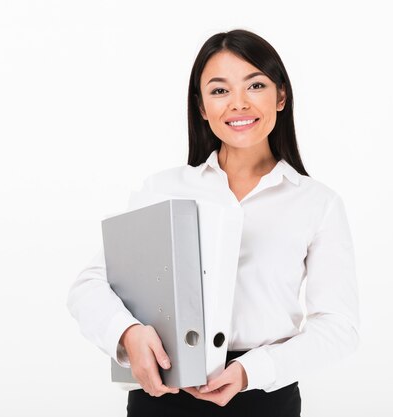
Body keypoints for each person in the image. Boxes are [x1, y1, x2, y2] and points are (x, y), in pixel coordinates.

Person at [67, 29, 359, 417]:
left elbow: (339, 327)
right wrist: (128, 334)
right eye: (219, 91)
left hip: (264, 396)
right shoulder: (163, 189)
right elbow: (89, 286)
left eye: (255, 85)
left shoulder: (317, 203)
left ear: (281, 96)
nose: (238, 103)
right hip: (164, 393)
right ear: (202, 107)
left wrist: (250, 372)